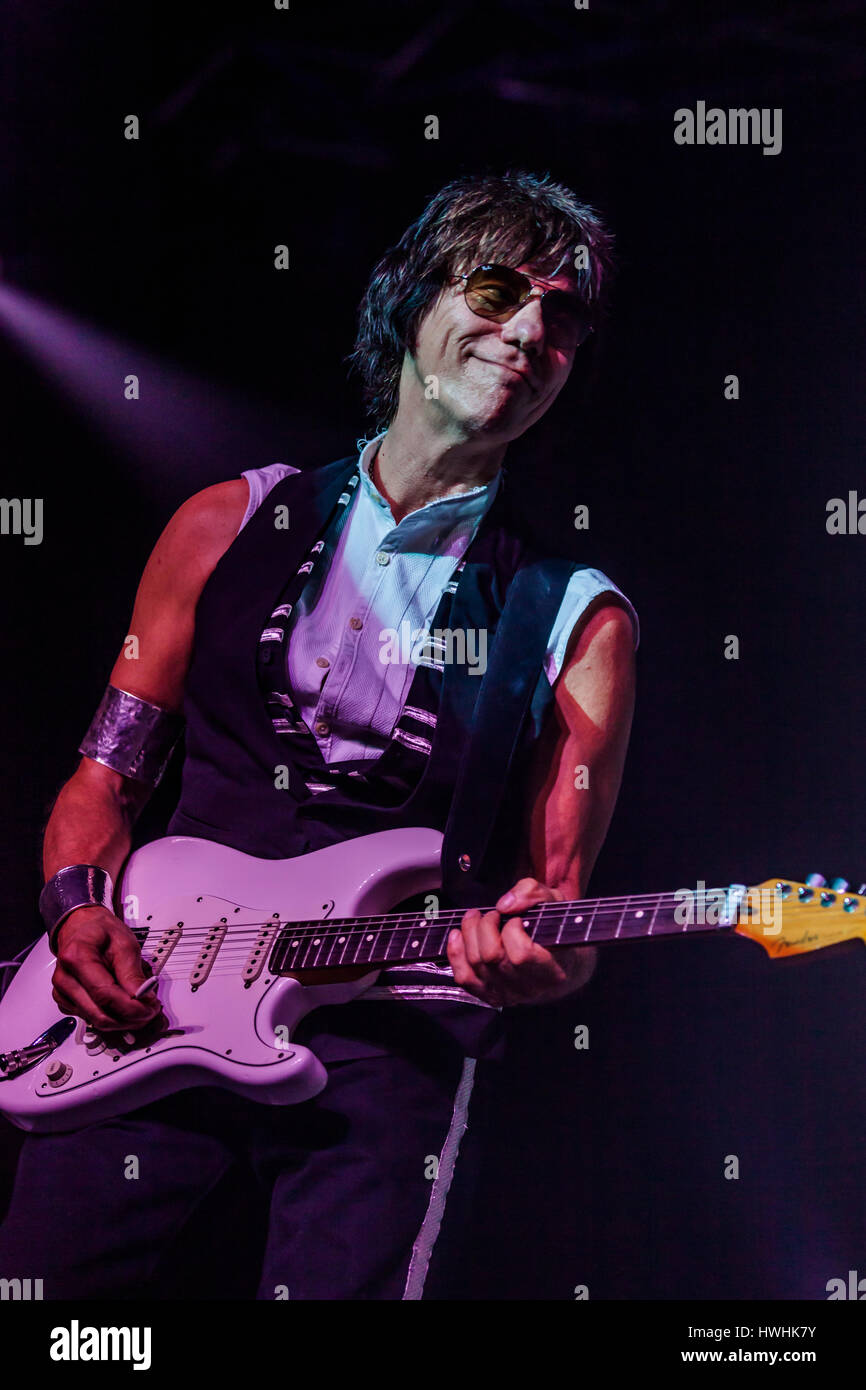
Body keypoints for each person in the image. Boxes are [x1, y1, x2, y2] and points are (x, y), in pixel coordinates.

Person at [0, 170, 638, 1300]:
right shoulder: (225, 521)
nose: (531, 330)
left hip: (387, 1030)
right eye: (499, 290)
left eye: (563, 319)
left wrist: (541, 958)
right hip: (152, 987)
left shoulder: (570, 613)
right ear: (408, 299)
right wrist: (76, 906)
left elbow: (559, 906)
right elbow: (104, 777)